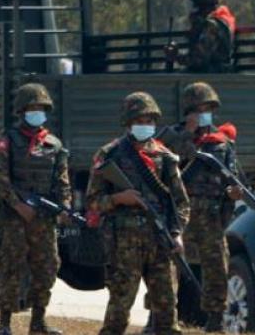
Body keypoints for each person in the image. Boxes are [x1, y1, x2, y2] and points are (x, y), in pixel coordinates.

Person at [87, 92, 190, 335]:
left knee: (166, 310)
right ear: (128, 122)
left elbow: (180, 203)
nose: (146, 126)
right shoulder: (110, 154)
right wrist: (118, 198)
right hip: (124, 243)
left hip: (159, 241)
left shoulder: (165, 157)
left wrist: (177, 233)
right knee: (119, 311)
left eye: (150, 121)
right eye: (140, 121)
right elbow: (92, 202)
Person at [157, 82, 243, 332]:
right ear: (189, 110)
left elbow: (231, 176)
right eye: (200, 108)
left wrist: (231, 195)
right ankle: (160, 318)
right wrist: (188, 134)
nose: (206, 113)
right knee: (165, 266)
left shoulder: (221, 142)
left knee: (217, 266)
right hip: (178, 214)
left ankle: (215, 319)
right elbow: (161, 164)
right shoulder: (170, 136)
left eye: (209, 108)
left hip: (211, 216)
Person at [0, 83, 70, 335]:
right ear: (22, 111)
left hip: (43, 220)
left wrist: (65, 207)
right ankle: (4, 323)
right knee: (11, 267)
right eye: (32, 108)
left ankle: (38, 321)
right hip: (16, 218)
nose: (37, 112)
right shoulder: (8, 139)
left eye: (40, 108)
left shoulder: (54, 145)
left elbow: (62, 181)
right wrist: (17, 204)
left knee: (46, 268)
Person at [164, 0, 236, 73]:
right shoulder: (212, 21)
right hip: (210, 73)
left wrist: (175, 56)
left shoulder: (212, 25)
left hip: (212, 75)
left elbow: (198, 59)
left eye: (193, 2)